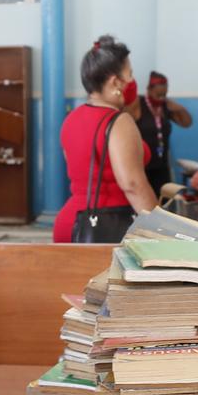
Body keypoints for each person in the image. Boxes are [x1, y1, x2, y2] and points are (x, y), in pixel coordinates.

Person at [51, 35, 158, 243]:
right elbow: (133, 185)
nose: (131, 82)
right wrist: (162, 229)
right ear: (115, 81)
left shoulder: (70, 119)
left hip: (71, 224)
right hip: (107, 228)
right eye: (129, 74)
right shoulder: (118, 122)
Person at [129, 70, 192, 196]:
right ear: (149, 89)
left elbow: (186, 123)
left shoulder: (165, 106)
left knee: (163, 202)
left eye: (164, 94)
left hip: (162, 166)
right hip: (142, 167)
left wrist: (180, 108)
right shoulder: (138, 104)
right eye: (158, 95)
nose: (161, 98)